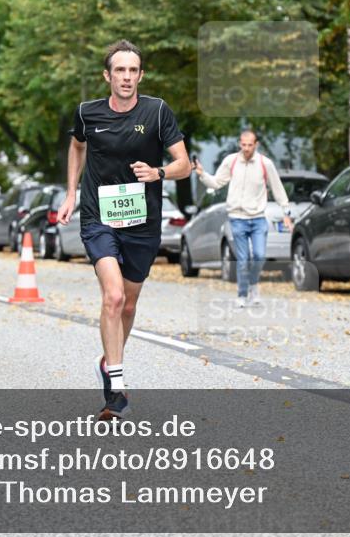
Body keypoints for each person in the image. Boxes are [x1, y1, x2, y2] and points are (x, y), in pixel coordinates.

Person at [56, 40, 191, 420]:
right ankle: (116, 387)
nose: (126, 77)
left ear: (141, 75)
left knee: (128, 304)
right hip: (98, 217)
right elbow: (77, 147)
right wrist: (71, 192)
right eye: (120, 70)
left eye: (133, 70)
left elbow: (184, 164)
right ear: (108, 76)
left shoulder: (157, 111)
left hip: (142, 222)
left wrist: (158, 172)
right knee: (113, 297)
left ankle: (108, 361)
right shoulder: (87, 112)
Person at [194, 130, 293, 307]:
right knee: (243, 259)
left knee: (259, 256)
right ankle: (242, 294)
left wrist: (286, 212)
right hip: (237, 218)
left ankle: (253, 285)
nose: (246, 148)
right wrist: (202, 174)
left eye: (250, 145)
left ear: (256, 145)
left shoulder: (265, 164)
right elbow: (216, 182)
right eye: (243, 144)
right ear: (240, 144)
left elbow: (277, 188)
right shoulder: (231, 161)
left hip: (258, 218)